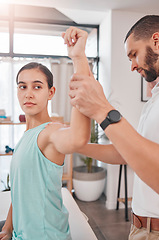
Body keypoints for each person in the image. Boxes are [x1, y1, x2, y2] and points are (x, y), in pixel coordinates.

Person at [69, 15, 159, 239]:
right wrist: (75, 144)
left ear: (157, 40)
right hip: (141, 227)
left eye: (134, 54)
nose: (132, 65)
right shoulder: (157, 97)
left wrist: (103, 111)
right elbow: (128, 153)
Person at [0, 27, 91, 240]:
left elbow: (77, 137)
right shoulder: (25, 137)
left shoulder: (51, 132)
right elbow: (20, 191)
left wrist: (78, 57)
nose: (28, 93)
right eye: (22, 87)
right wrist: (8, 227)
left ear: (51, 92)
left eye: (37, 87)